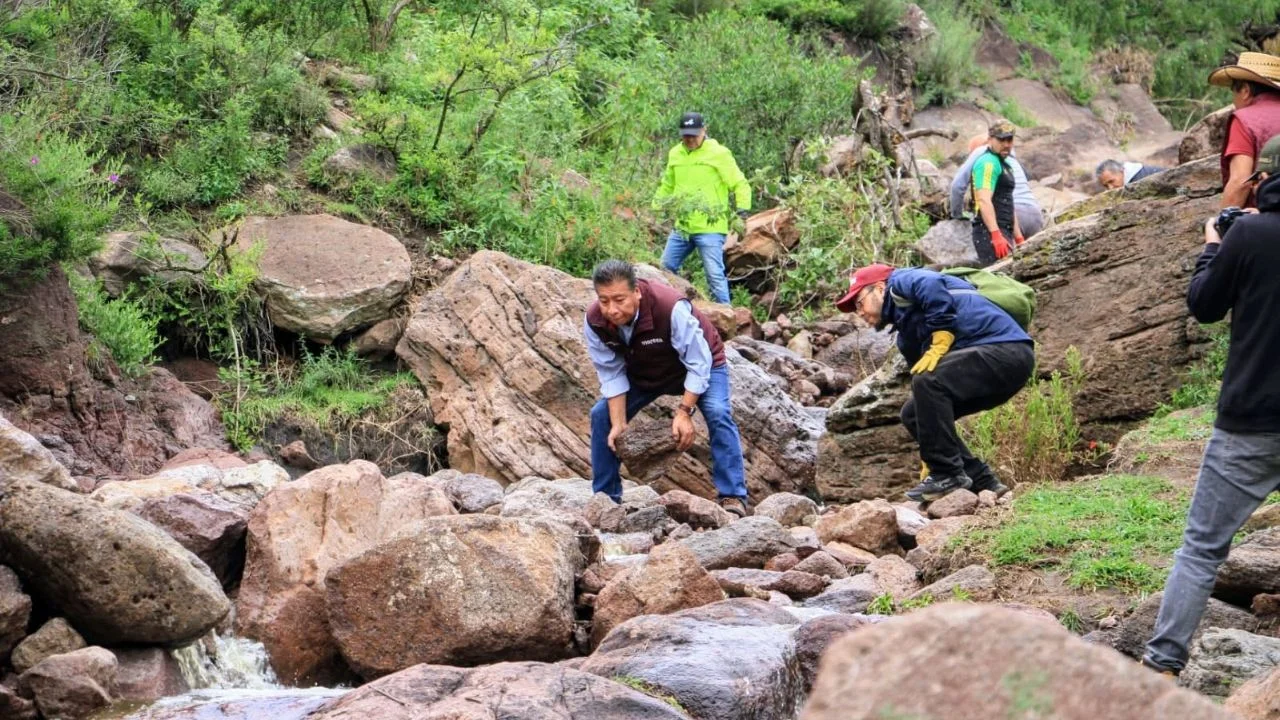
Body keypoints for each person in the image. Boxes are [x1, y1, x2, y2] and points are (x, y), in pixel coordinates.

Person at [1142, 134, 1280, 678]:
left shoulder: (1248, 234)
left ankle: (1161, 667)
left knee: (1202, 550)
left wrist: (1213, 246)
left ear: (1263, 180)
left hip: (1248, 421)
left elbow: (1203, 307)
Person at [835, 263, 1034, 502]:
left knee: (929, 381)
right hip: (992, 367)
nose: (860, 312)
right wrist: (930, 450)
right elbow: (925, 396)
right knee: (913, 412)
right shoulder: (907, 335)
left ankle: (948, 473)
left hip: (1006, 352)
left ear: (879, 288)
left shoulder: (900, 281)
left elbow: (930, 283)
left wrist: (942, 332)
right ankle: (982, 482)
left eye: (859, 303)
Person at [584, 259, 751, 516]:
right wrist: (619, 423)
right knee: (602, 416)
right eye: (604, 301)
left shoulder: (669, 307)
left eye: (619, 300)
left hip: (700, 365)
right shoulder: (595, 321)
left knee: (718, 412)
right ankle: (606, 500)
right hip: (645, 372)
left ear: (637, 291)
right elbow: (611, 374)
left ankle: (733, 496)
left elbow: (698, 362)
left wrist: (684, 411)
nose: (612, 310)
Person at [653, 112, 751, 305]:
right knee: (664, 268)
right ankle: (671, 309)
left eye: (694, 135)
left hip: (710, 227)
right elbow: (667, 184)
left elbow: (740, 183)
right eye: (686, 135)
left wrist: (743, 211)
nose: (689, 139)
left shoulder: (719, 153)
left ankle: (726, 314)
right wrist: (656, 205)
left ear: (704, 130)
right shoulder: (675, 153)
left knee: (714, 275)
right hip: (682, 226)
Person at [1207, 52, 1280, 208]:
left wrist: (1223, 225)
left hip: (1263, 224)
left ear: (1245, 90)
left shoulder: (1245, 119)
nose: (1234, 100)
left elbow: (1240, 182)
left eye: (1234, 91)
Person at [950, 130, 1045, 240]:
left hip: (1011, 215)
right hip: (1035, 215)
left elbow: (957, 186)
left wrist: (957, 215)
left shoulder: (982, 152)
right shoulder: (1012, 158)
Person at [967, 120, 1026, 265]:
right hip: (988, 232)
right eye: (1001, 140)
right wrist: (995, 234)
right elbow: (984, 200)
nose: (1006, 144)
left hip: (1004, 229)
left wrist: (1019, 238)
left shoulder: (1005, 164)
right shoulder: (988, 163)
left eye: (1009, 140)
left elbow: (1008, 202)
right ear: (990, 139)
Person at [1095, 159, 1165, 190]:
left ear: (1121, 171)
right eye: (1106, 186)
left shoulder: (1140, 182)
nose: (1110, 188)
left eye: (1111, 181)